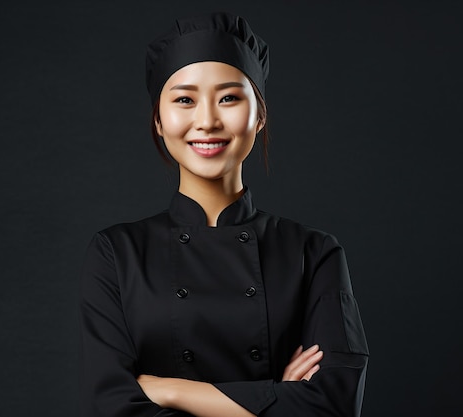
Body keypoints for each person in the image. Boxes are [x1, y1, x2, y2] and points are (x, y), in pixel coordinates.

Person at [79, 11, 369, 417]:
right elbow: (110, 406)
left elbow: (333, 405)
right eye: (184, 99)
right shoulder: (116, 253)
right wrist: (275, 398)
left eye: (229, 97)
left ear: (260, 114)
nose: (208, 120)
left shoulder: (314, 252)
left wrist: (172, 390)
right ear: (159, 121)